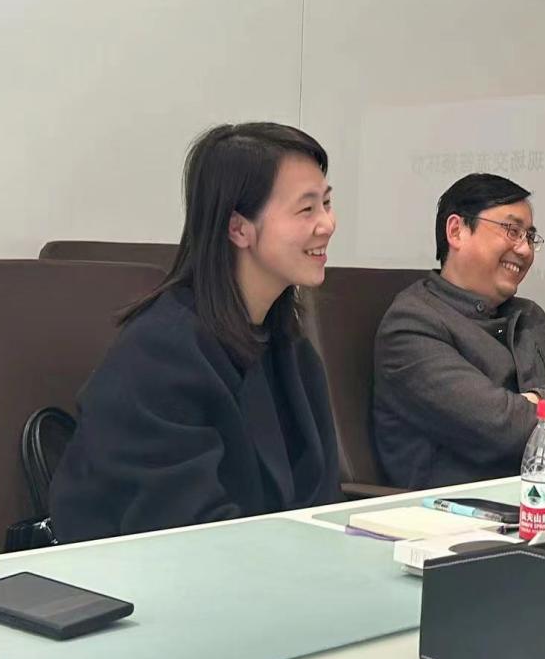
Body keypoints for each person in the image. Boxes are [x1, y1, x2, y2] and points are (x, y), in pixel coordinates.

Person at [50, 123, 342, 543]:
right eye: (306, 209)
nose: (327, 224)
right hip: (147, 574)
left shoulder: (292, 351)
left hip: (263, 569)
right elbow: (181, 529)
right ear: (238, 228)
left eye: (327, 203)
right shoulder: (161, 352)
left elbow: (322, 505)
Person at [373, 173, 545, 489]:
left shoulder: (528, 318)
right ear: (457, 231)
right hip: (460, 509)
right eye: (512, 231)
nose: (525, 250)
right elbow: (504, 429)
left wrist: (540, 401)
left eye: (530, 236)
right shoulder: (413, 324)